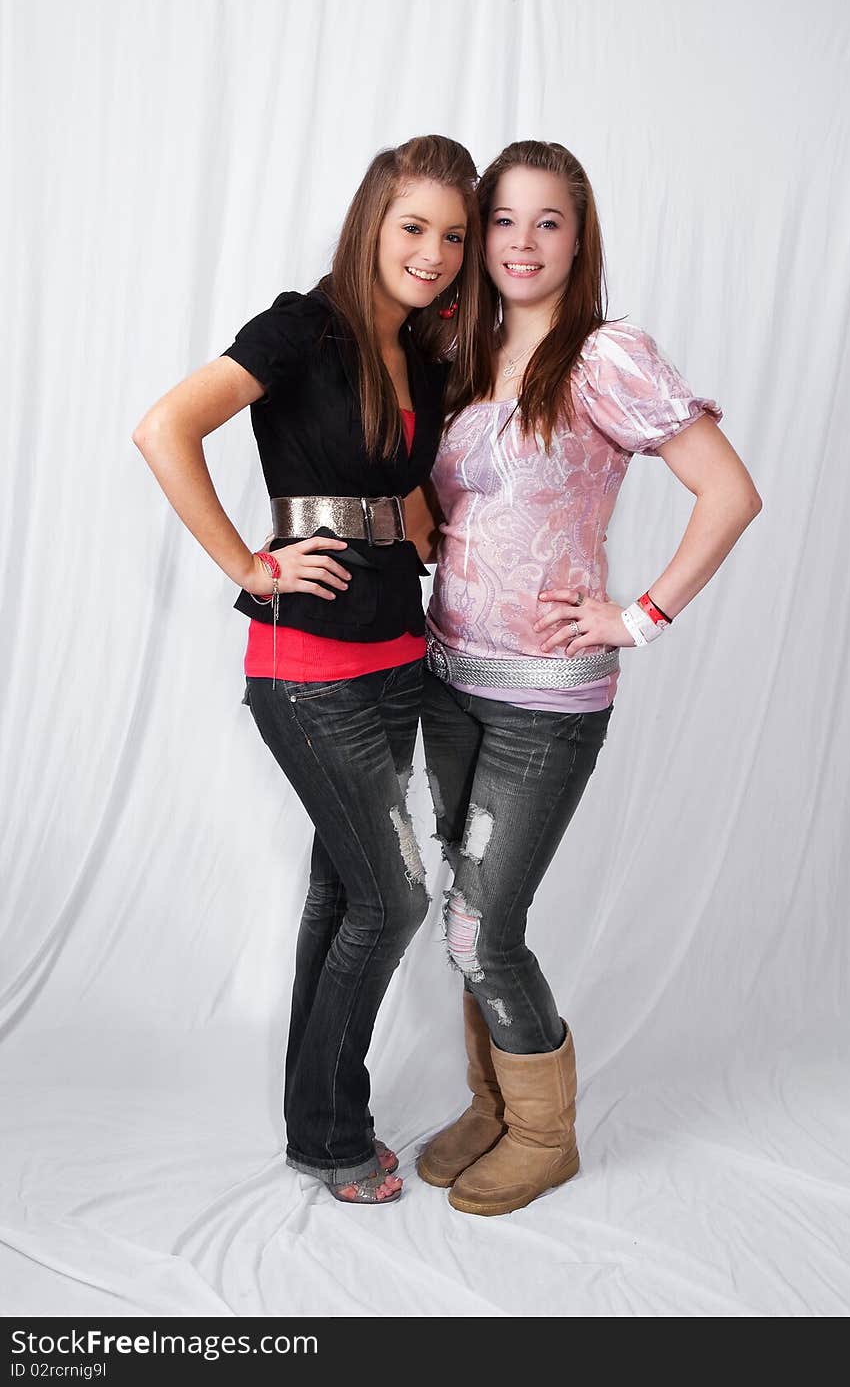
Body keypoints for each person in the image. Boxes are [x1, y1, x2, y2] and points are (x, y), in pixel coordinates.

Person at [132, 135, 482, 1205]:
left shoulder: (425, 350)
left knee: (346, 895)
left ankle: (314, 1121)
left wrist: (444, 537)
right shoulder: (302, 326)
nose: (433, 252)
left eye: (453, 235)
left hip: (397, 657)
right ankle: (332, 1131)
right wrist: (249, 558)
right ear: (373, 220)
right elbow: (164, 427)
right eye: (414, 226)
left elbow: (407, 491)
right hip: (306, 666)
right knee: (396, 896)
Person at [417, 140, 763, 1217]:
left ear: (580, 234)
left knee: (485, 923)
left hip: (543, 699)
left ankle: (546, 1132)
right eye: (505, 221)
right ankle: (492, 1104)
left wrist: (637, 615)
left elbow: (730, 493)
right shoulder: (459, 352)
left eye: (547, 221)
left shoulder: (606, 356)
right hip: (447, 678)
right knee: (455, 912)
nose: (522, 243)